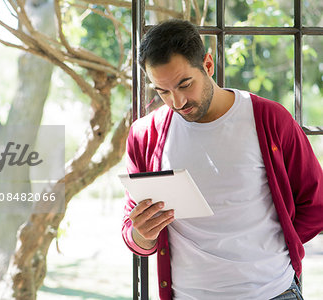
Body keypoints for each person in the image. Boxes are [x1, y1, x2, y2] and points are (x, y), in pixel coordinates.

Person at [121, 19, 323, 300]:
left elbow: (316, 205)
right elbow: (135, 234)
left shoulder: (269, 119)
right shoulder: (145, 135)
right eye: (162, 91)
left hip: (273, 292)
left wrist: (269, 251)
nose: (177, 102)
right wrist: (143, 234)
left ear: (208, 64)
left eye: (184, 84)